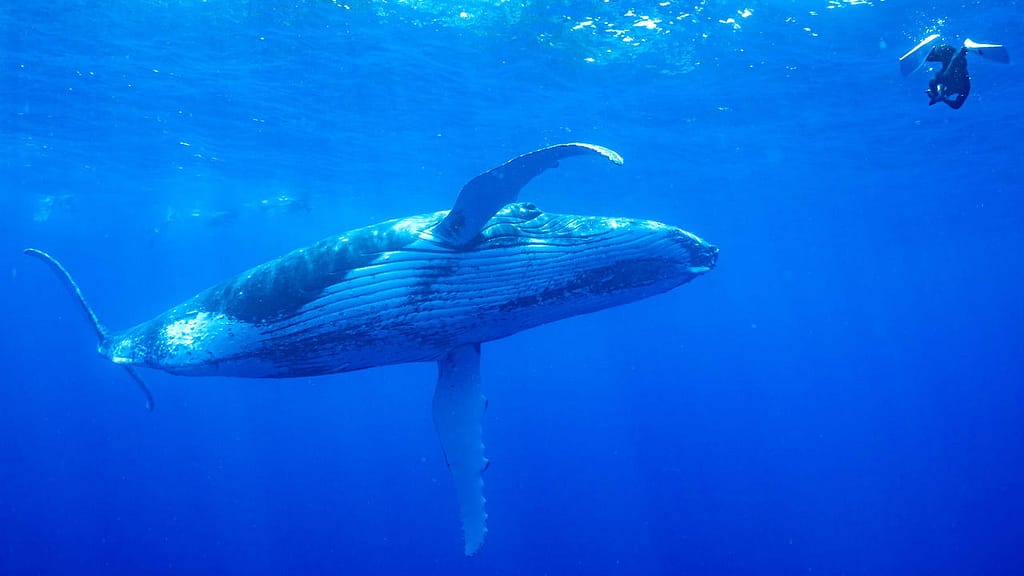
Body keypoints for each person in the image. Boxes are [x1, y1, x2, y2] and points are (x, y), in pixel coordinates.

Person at [925, 44, 970, 109]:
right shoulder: (964, 88)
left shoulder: (943, 79)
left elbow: (956, 106)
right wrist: (939, 96)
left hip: (950, 56)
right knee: (957, 61)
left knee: (929, 57)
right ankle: (932, 50)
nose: (948, 94)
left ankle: (932, 50)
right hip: (952, 54)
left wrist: (939, 96)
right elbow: (956, 106)